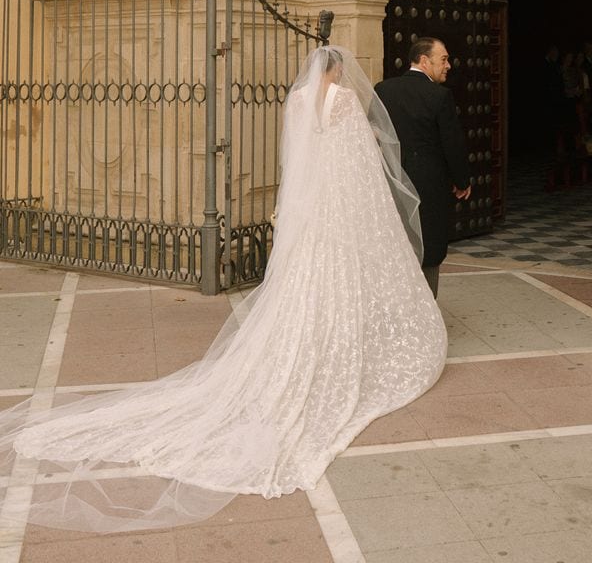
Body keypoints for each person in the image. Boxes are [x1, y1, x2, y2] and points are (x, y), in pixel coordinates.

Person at [0, 47, 447, 533]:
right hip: (334, 217)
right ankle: (329, 347)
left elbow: (295, 163)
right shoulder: (340, 101)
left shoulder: (296, 100)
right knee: (333, 286)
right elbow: (360, 170)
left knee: (300, 291)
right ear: (338, 71)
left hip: (306, 217)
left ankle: (303, 346)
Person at [374, 37, 471, 298]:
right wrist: (462, 181)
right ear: (424, 61)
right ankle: (426, 310)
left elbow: (376, 135)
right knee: (429, 246)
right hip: (429, 184)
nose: (448, 65)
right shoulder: (440, 96)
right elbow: (452, 143)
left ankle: (398, 306)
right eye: (444, 59)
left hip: (392, 179)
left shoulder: (383, 89)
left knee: (397, 243)